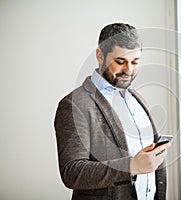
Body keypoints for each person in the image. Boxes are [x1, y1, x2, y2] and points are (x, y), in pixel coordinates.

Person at [54, 23, 170, 200]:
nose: (128, 70)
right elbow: (72, 172)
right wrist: (131, 166)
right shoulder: (73, 105)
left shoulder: (138, 99)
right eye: (120, 61)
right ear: (100, 56)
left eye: (135, 62)